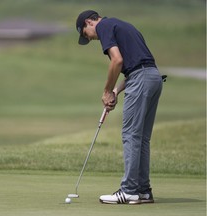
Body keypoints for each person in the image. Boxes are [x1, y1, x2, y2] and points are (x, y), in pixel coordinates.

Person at [76, 10, 163, 204]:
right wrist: (116, 91)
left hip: (141, 79)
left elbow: (117, 60)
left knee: (131, 135)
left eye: (85, 34)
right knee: (141, 138)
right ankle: (143, 190)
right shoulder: (124, 26)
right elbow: (137, 66)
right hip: (153, 78)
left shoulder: (104, 26)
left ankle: (129, 190)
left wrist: (106, 91)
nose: (90, 39)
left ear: (90, 22)